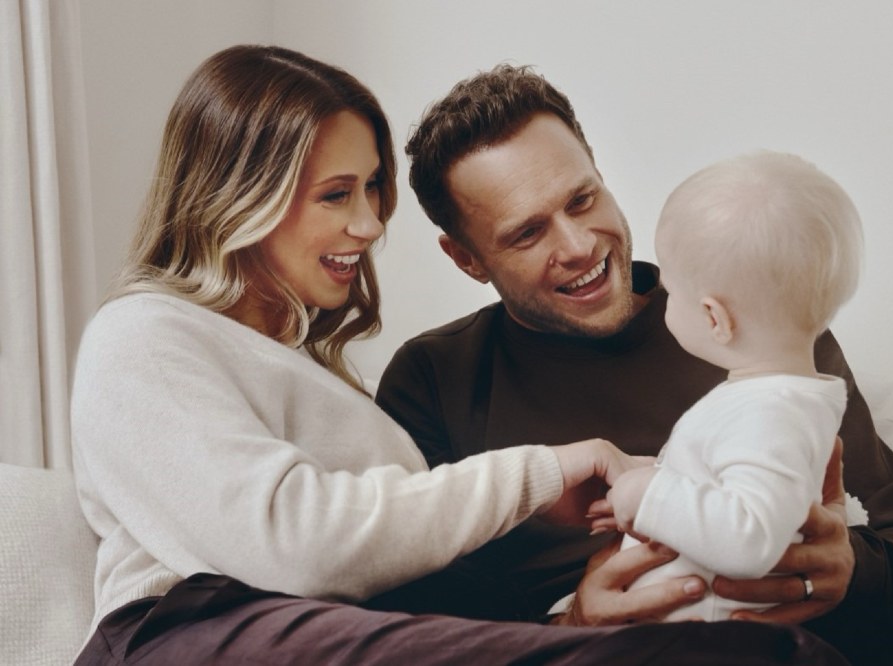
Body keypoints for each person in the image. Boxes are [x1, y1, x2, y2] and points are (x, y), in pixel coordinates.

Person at [70, 45, 849, 665]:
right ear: (241, 198)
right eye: (337, 194)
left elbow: (431, 601)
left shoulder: (764, 333)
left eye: (373, 190)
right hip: (195, 629)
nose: (372, 225)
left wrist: (839, 565)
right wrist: (550, 488)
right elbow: (291, 542)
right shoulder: (147, 333)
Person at [376, 63, 893, 664]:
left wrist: (851, 570)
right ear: (466, 259)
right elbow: (408, 622)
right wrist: (571, 630)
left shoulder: (757, 318)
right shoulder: (434, 377)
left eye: (582, 199)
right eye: (527, 233)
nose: (578, 245)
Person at [578, 151, 868, 623]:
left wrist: (646, 495)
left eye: (670, 293)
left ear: (715, 318)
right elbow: (736, 493)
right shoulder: (773, 400)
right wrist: (662, 491)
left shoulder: (768, 414)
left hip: (710, 646)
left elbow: (750, 537)